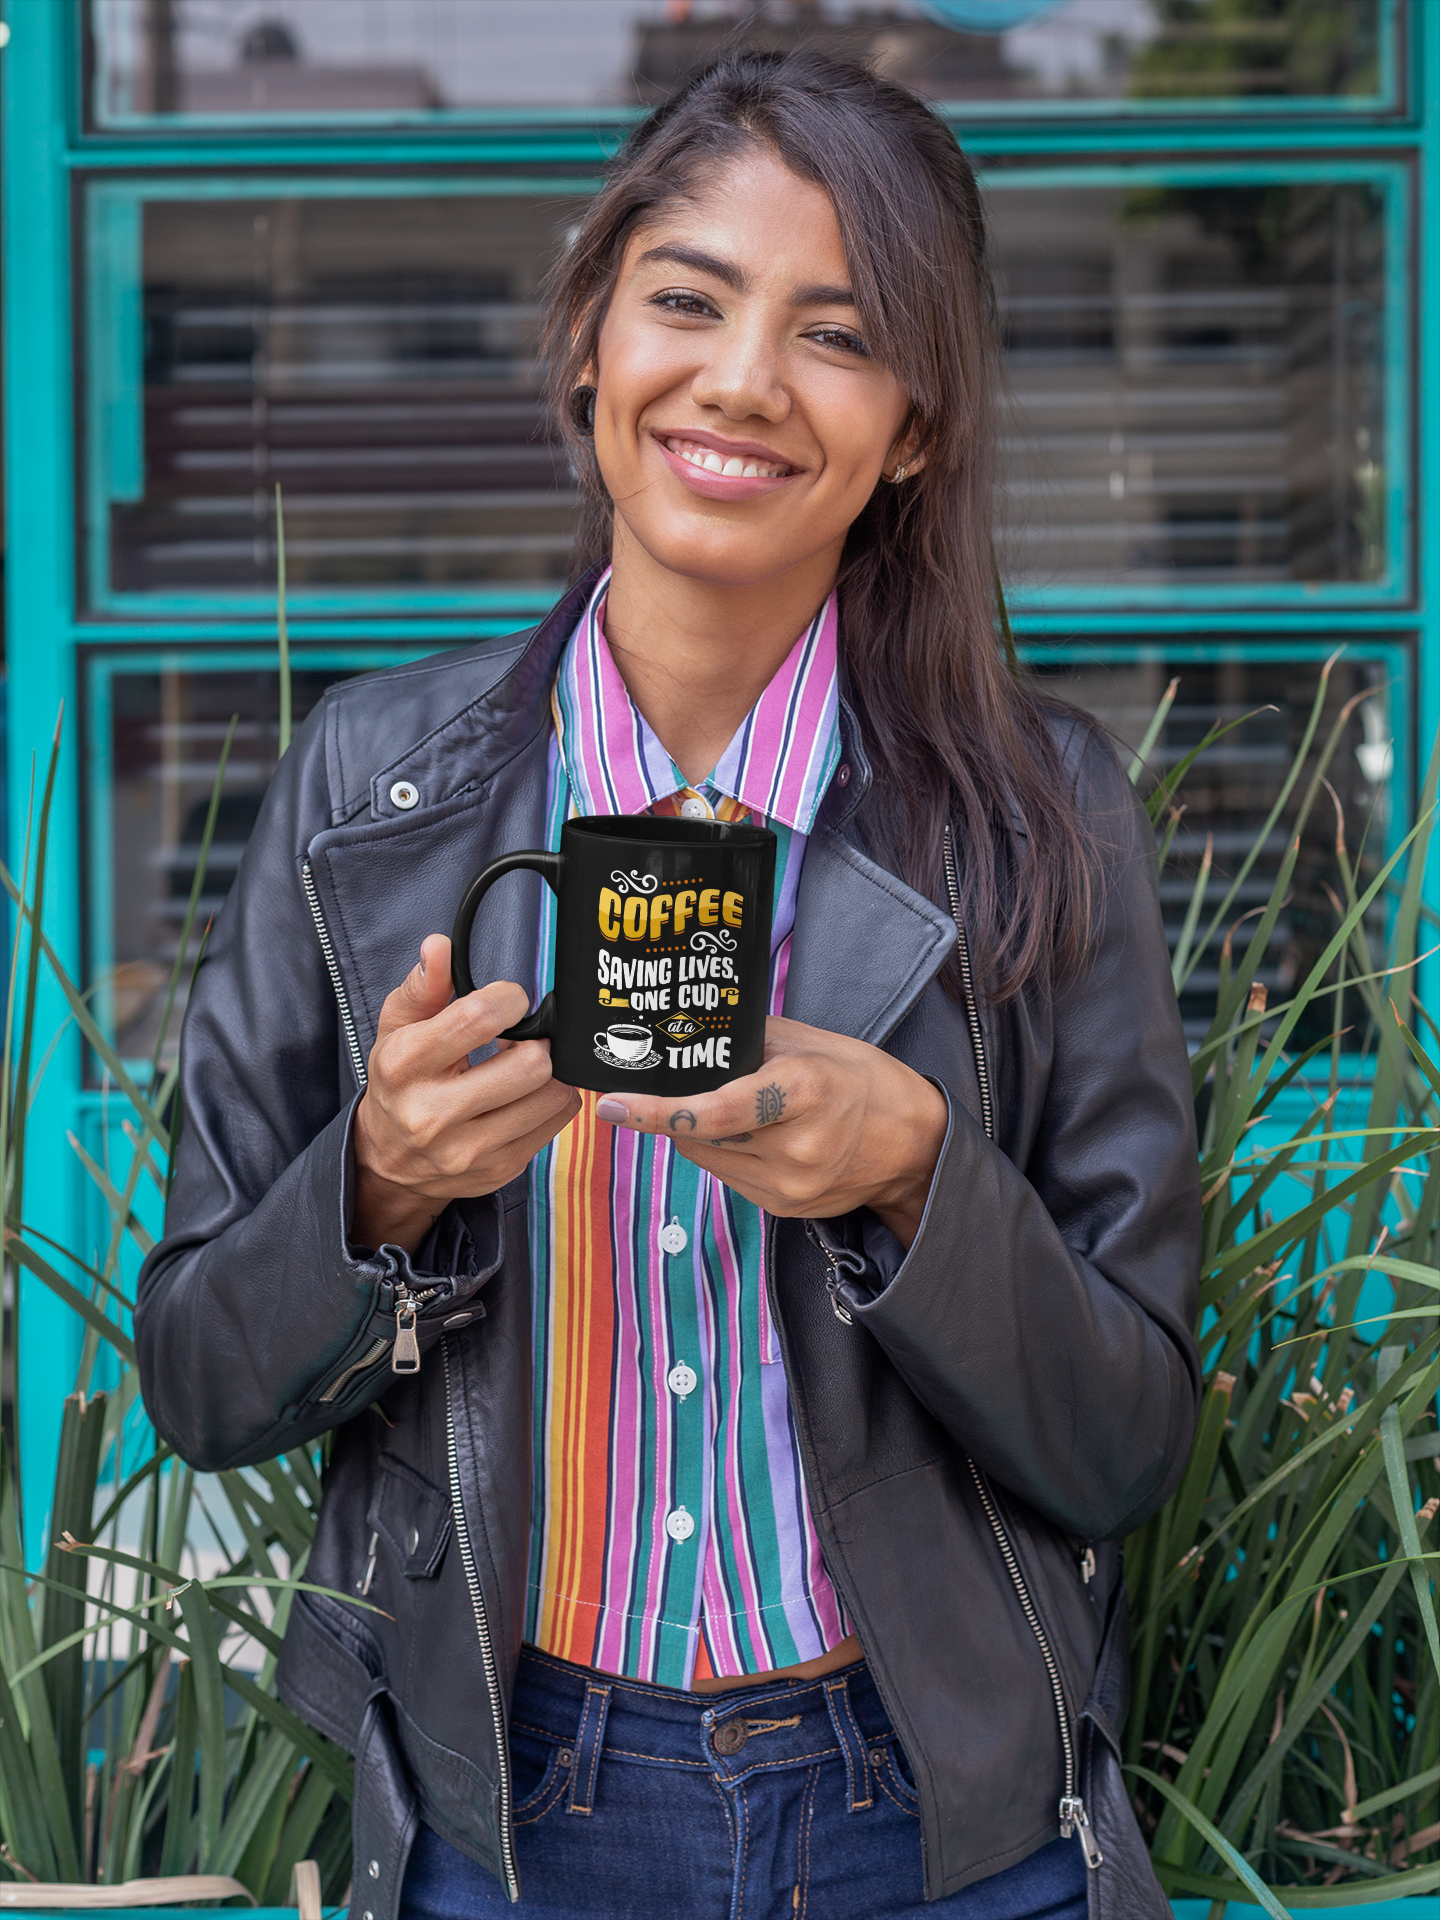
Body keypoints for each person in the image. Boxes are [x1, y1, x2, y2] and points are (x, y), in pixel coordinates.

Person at [135, 48, 1201, 1920]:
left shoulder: (1041, 819)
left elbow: (1122, 1445)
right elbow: (206, 1382)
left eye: (838, 332)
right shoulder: (366, 798)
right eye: (688, 298)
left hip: (939, 1814)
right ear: (590, 339)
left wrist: (915, 1181)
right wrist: (382, 1184)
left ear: (917, 428)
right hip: (519, 1812)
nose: (739, 380)